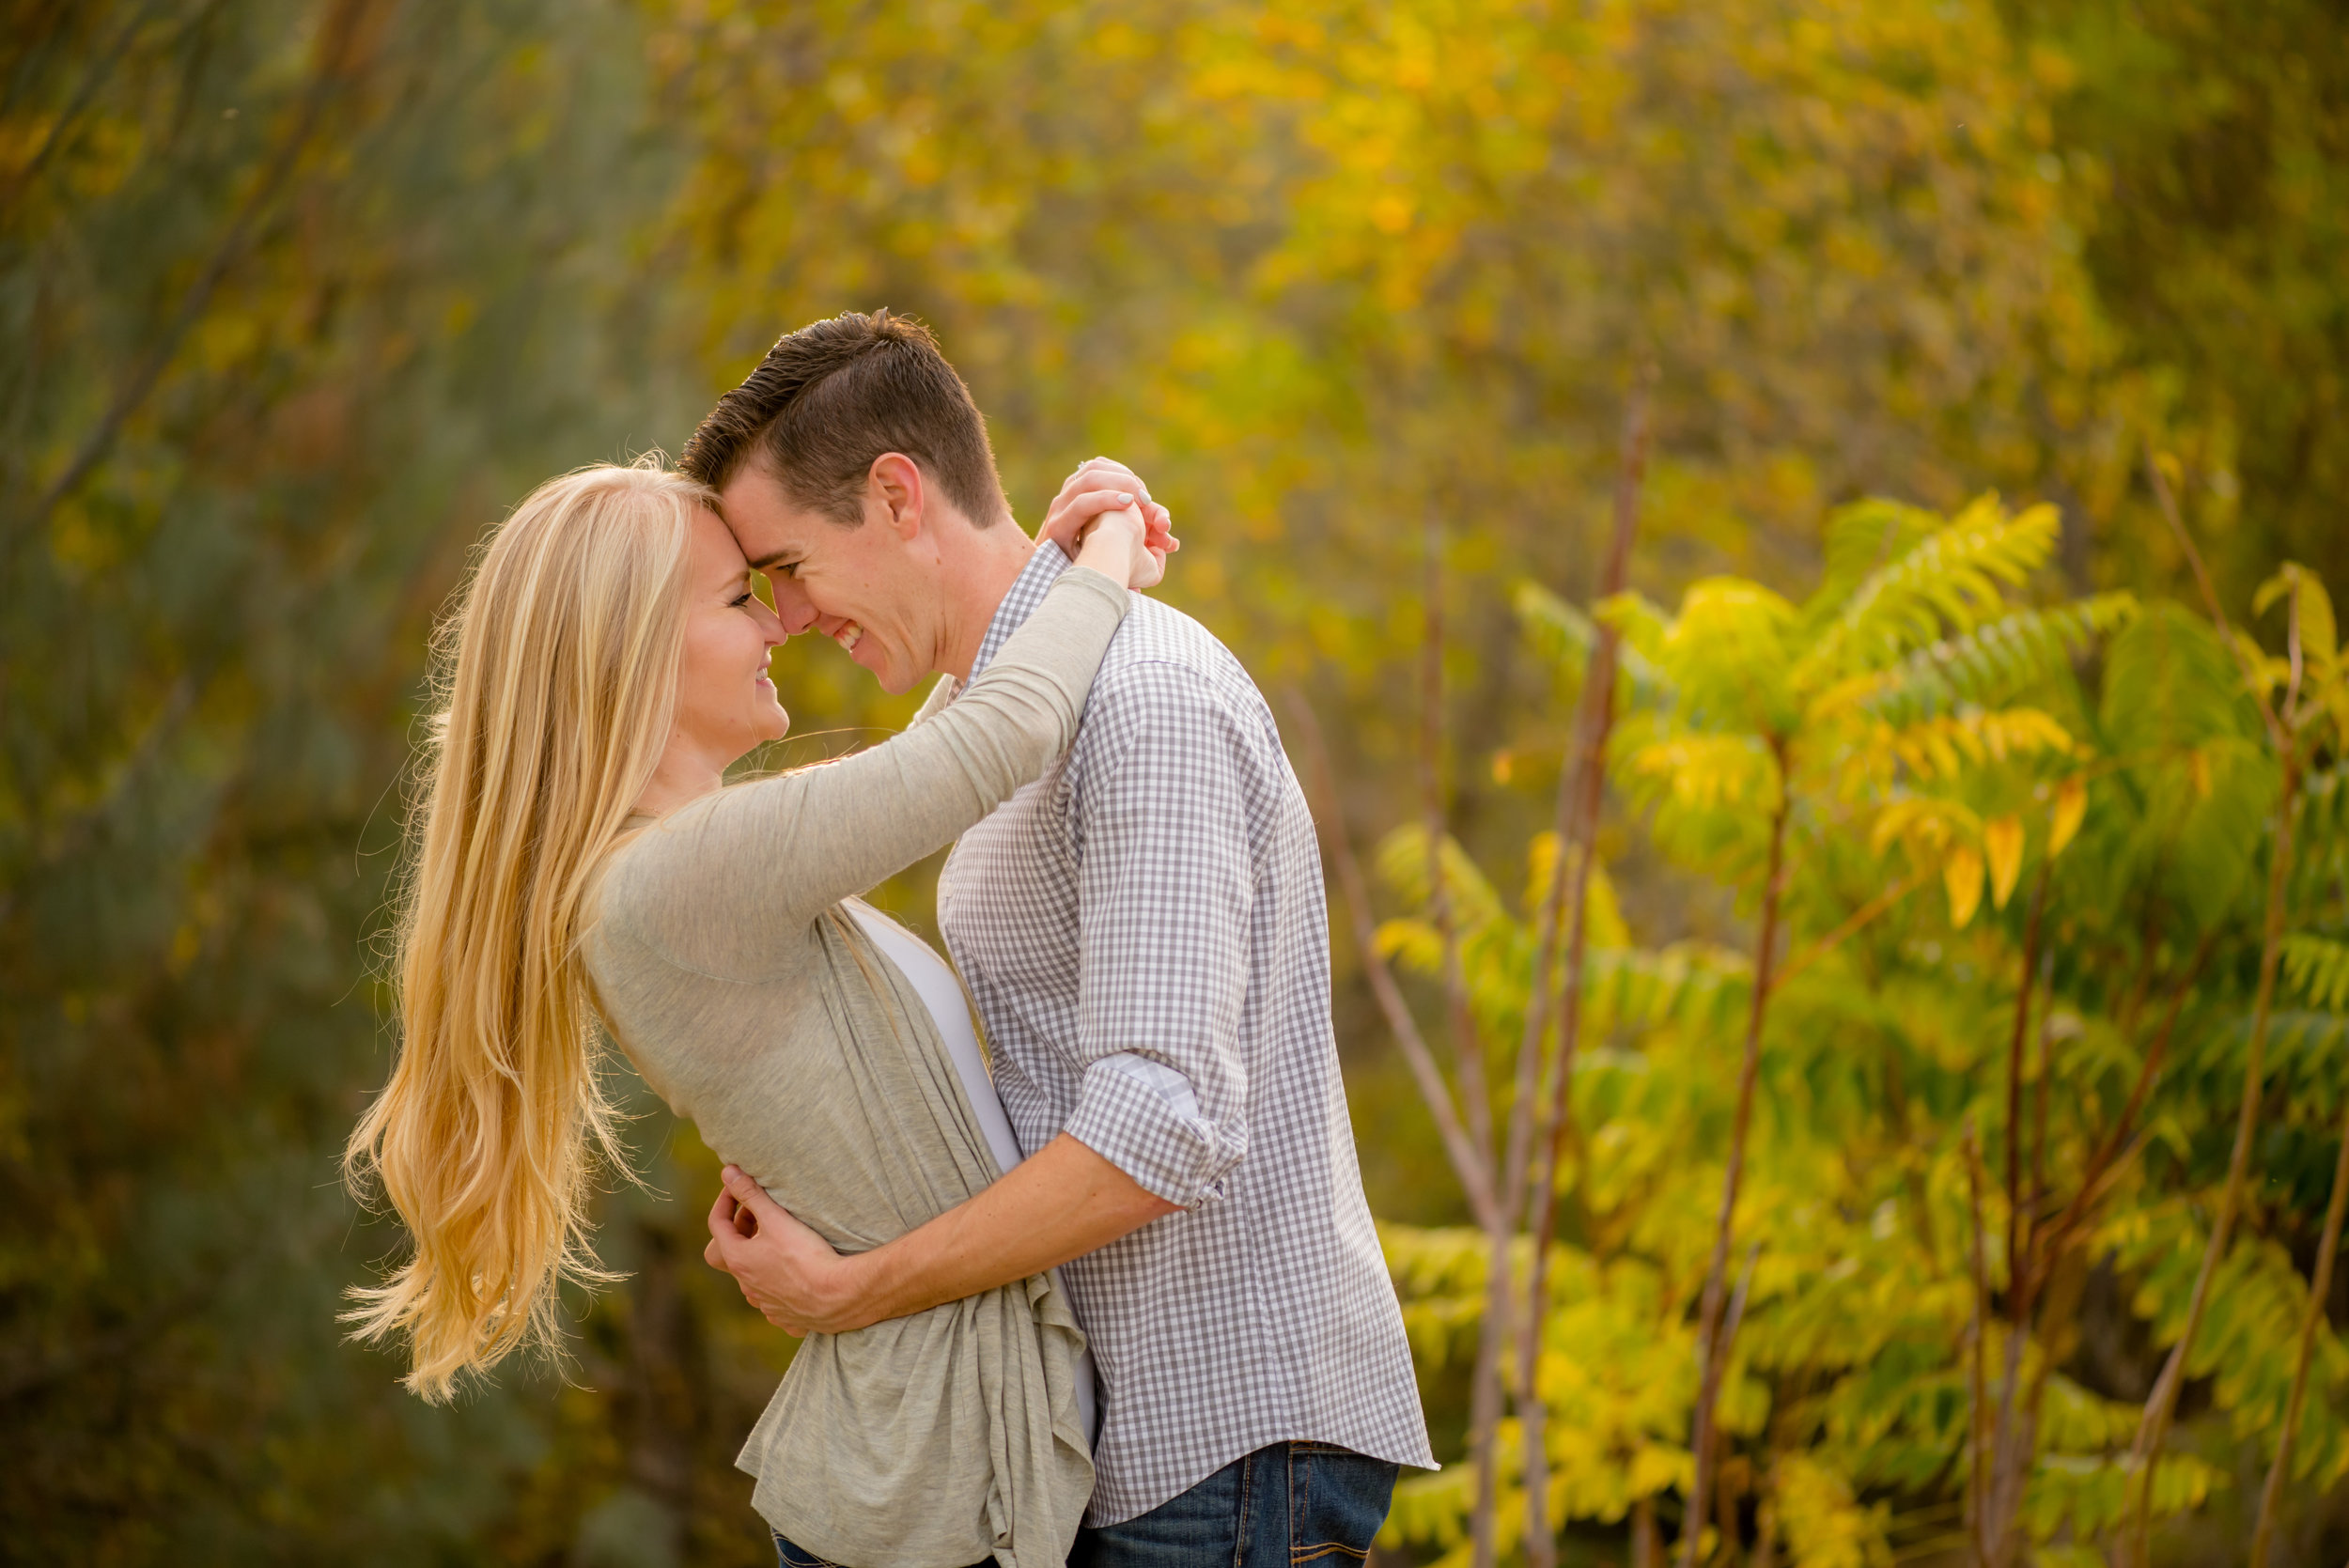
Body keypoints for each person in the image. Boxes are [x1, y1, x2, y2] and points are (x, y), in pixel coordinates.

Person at [687, 310, 1434, 1568]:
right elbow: (950, 749)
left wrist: (860, 1289)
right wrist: (1086, 557)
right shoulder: (1016, 702)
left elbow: (1164, 1123)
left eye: (792, 568)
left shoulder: (1146, 709)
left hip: (1223, 1443)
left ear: (898, 496)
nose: (795, 618)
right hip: (1138, 1442)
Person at [343, 454, 1171, 1568]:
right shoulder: (677, 879)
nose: (781, 623)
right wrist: (1110, 548)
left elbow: (941, 746)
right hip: (917, 1495)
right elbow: (998, 737)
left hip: (919, 1471)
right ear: (634, 656)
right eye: (740, 600)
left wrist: (1042, 578)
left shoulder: (687, 869)